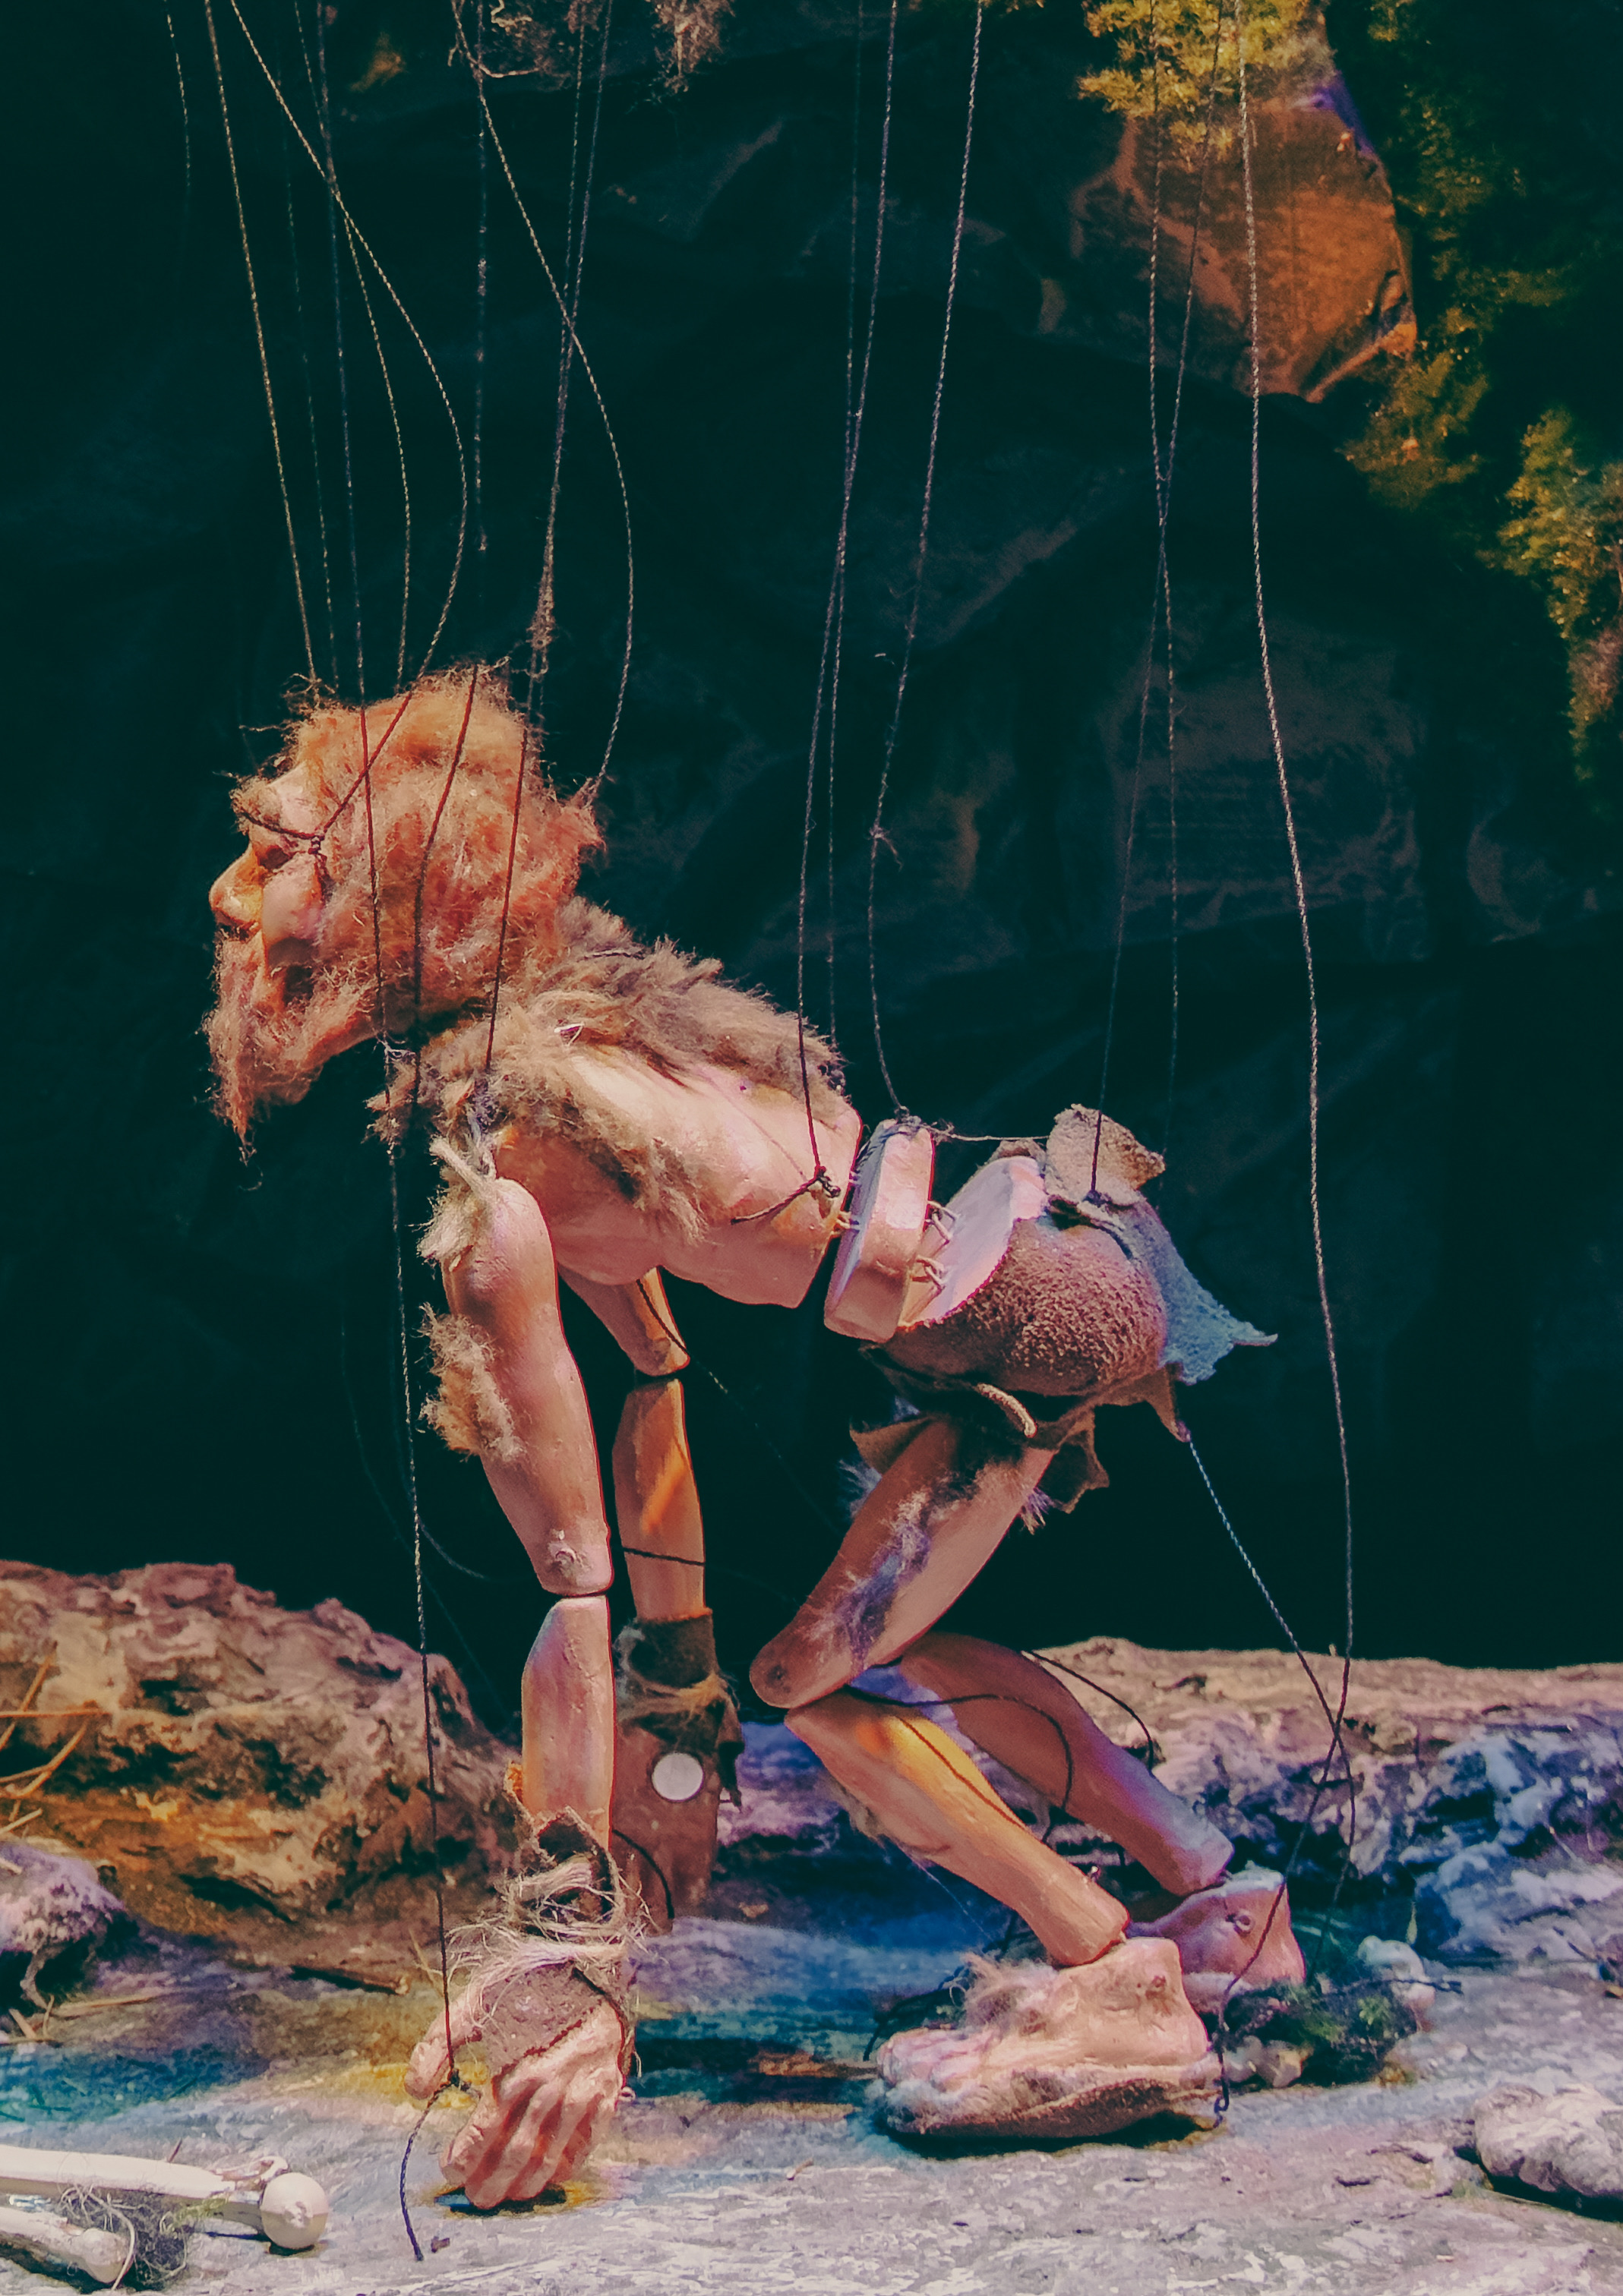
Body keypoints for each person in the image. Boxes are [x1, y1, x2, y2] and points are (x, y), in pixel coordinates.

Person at [207, 670, 1299, 2203]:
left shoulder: (514, 1132)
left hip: (1026, 1313)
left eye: (276, 854)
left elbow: (567, 1572)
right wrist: (677, 1682)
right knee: (883, 1659)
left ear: (397, 892)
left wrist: (568, 1947)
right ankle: (1217, 1895)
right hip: (1033, 1245)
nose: (231, 892)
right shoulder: (574, 1041)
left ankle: (1113, 1973)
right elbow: (651, 1379)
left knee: (820, 1686)